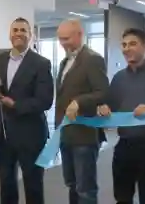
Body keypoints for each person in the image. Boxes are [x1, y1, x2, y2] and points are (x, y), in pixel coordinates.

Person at [98, 28, 145, 204]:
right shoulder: (118, 78)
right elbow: (110, 106)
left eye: (132, 43)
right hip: (123, 144)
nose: (126, 48)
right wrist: (103, 107)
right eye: (124, 45)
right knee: (122, 196)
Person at [0, 17, 54, 204]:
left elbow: (45, 101)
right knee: (6, 184)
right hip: (4, 135)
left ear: (30, 35)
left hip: (31, 135)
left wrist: (15, 105)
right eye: (15, 30)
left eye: (23, 30)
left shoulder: (41, 63)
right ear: (10, 34)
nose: (19, 33)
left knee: (33, 185)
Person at [55, 19, 108, 204]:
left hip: (84, 136)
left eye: (66, 38)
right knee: (72, 184)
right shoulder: (65, 62)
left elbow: (103, 92)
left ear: (79, 35)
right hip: (66, 134)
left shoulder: (92, 59)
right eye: (60, 39)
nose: (63, 43)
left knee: (85, 189)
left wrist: (79, 101)